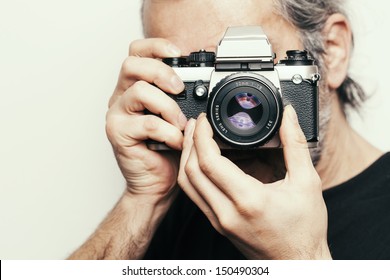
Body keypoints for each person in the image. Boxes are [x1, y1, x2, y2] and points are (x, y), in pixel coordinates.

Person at [68, 0, 390, 260]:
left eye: (249, 66)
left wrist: (301, 259)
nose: (231, 103)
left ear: (332, 51)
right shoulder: (183, 200)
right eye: (203, 72)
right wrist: (142, 201)